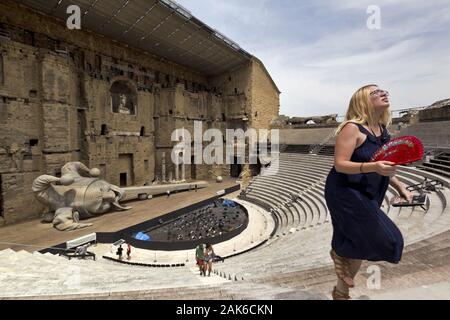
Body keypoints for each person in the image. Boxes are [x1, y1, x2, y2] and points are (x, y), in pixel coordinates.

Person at [324, 84, 413, 300]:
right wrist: (373, 168)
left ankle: (340, 293)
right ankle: (339, 250)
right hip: (346, 191)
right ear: (362, 100)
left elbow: (385, 166)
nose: (384, 93)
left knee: (360, 241)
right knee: (391, 241)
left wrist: (401, 187)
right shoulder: (352, 128)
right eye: (375, 92)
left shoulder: (383, 132)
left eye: (384, 90)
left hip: (370, 191)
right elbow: (340, 164)